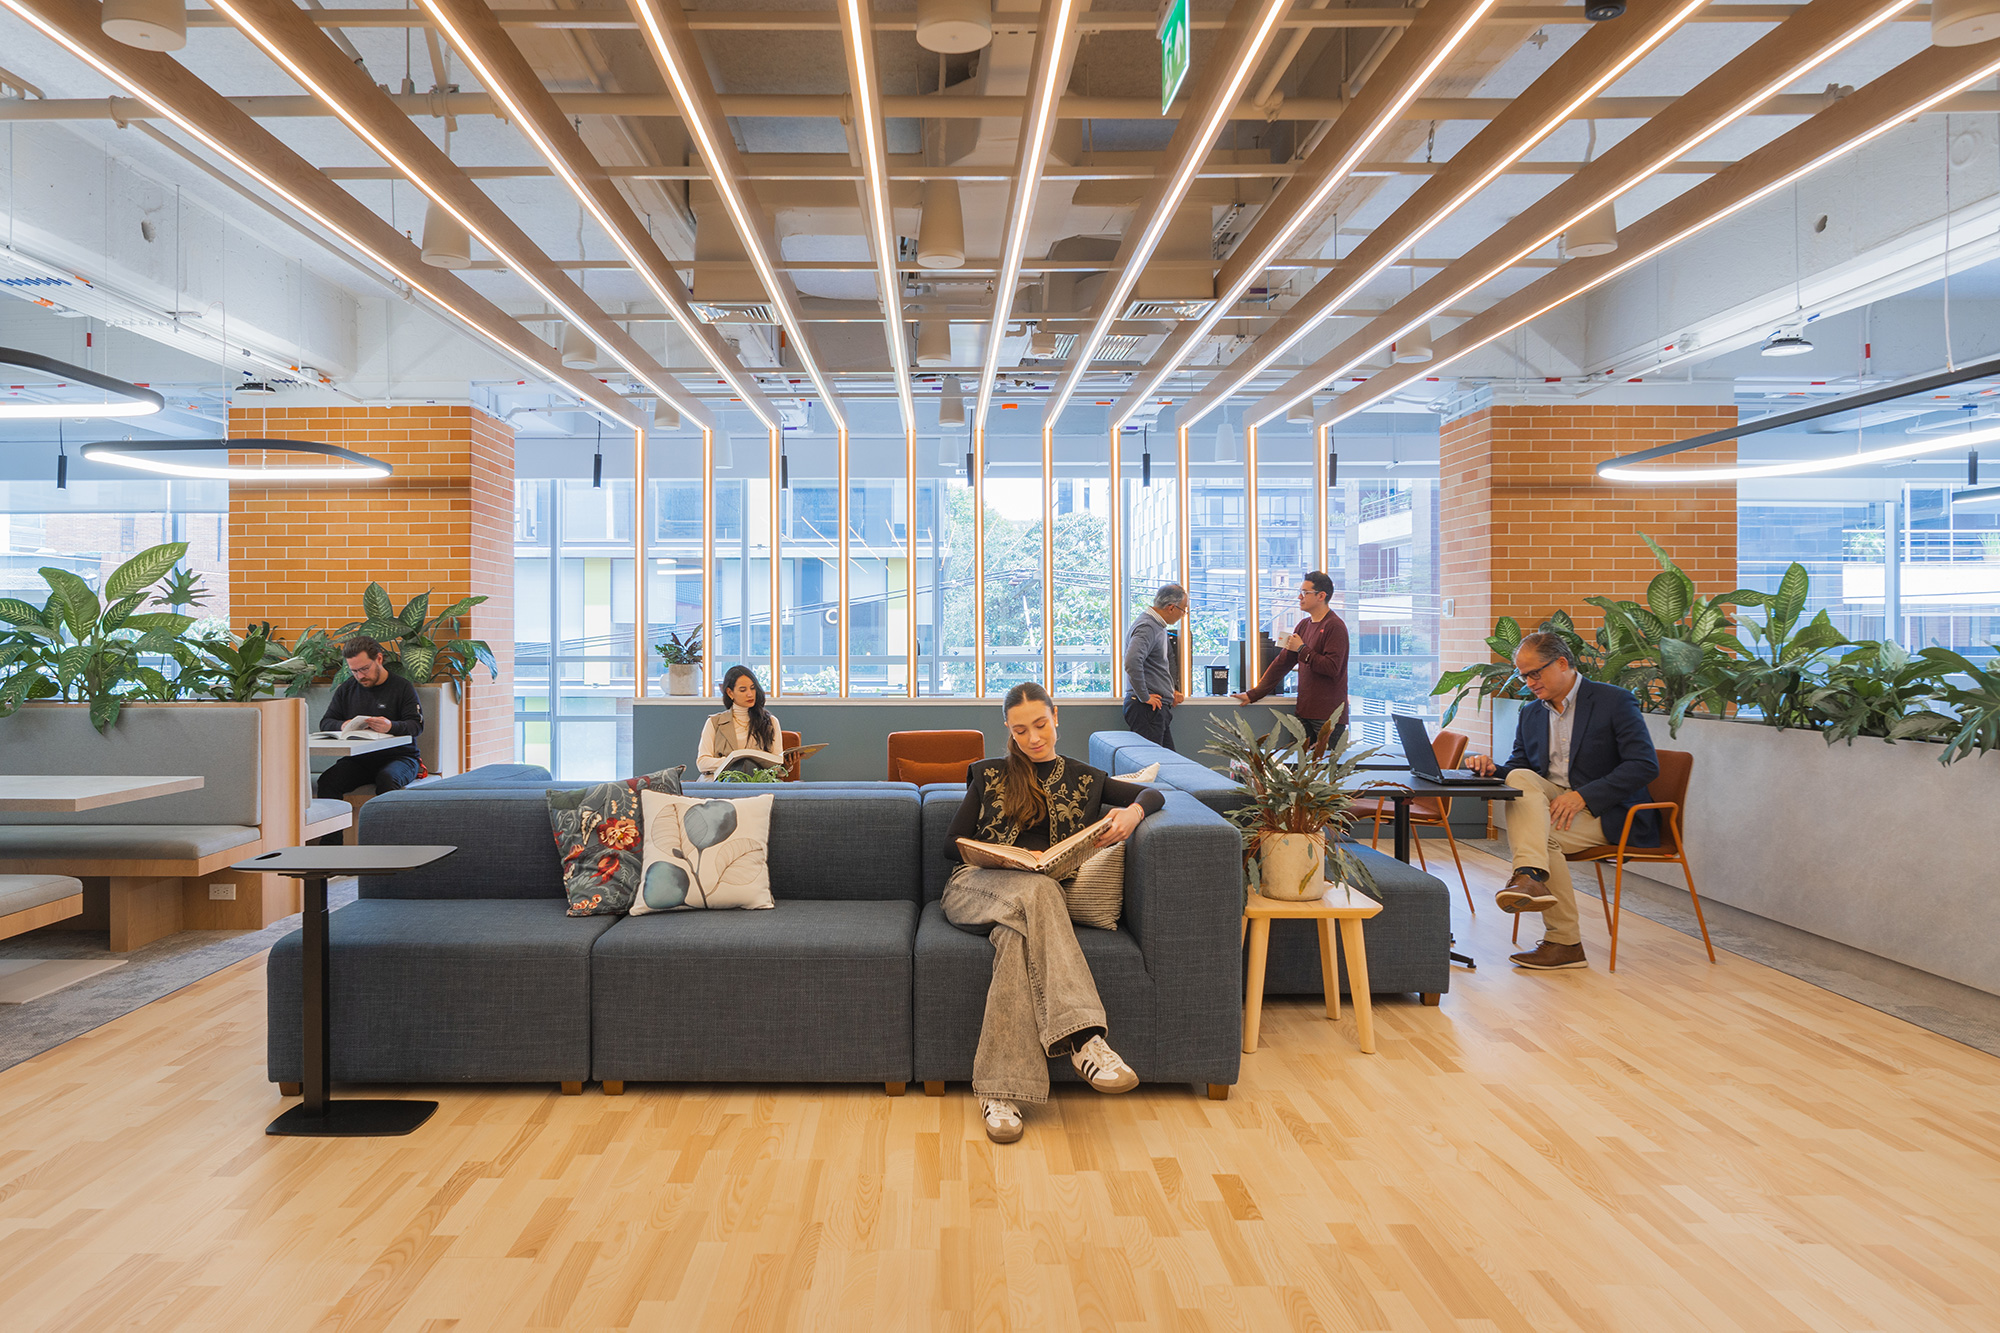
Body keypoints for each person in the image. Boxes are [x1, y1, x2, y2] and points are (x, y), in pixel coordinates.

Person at [944, 682, 1164, 1144]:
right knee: (1041, 891)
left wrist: (1133, 814)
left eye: (1040, 725)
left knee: (1016, 938)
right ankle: (1085, 1040)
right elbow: (951, 844)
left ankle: (1000, 1094)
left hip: (1028, 908)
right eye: (1021, 730)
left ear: (1056, 717)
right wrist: (1001, 856)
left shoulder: (1086, 778)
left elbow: (1153, 795)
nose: (1033, 738)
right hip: (974, 890)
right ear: (1009, 729)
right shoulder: (987, 774)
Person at [1464, 630, 1661, 971]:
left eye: (1534, 673)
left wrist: (1583, 795)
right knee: (1518, 779)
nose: (1528, 683)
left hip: (1608, 811)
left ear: (1562, 663)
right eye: (1522, 675)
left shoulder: (1614, 701)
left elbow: (1644, 765)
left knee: (1543, 839)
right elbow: (1521, 768)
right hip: (1553, 806)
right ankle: (1532, 881)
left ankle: (1561, 936)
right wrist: (1492, 768)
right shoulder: (1531, 713)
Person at [1233, 570, 1350, 751]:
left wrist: (1302, 649)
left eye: (1305, 593)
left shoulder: (1335, 626)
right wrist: (1254, 694)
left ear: (1321, 596)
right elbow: (1282, 663)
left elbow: (1332, 668)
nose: (1299, 597)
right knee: (1298, 771)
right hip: (1303, 713)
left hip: (1329, 717)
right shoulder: (1303, 625)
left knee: (1326, 774)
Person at [315, 636, 424, 800]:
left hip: (400, 758)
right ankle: (335, 827)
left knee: (387, 779)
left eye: (364, 669)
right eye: (354, 671)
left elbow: (416, 725)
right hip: (359, 760)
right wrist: (344, 725)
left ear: (379, 659)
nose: (360, 676)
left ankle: (382, 826)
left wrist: (390, 726)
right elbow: (326, 723)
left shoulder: (402, 687)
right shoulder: (347, 689)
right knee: (328, 781)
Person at [1122, 583, 1187, 751]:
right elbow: (1132, 661)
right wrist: (1144, 696)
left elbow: (1165, 662)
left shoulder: (1158, 626)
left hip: (1155, 708)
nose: (1183, 615)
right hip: (1147, 709)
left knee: (1167, 764)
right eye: (1183, 610)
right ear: (1171, 608)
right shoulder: (1147, 627)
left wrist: (1171, 689)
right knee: (1152, 766)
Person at [696, 665, 784, 777]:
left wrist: (786, 766)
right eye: (743, 690)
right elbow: (702, 763)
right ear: (730, 693)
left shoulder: (770, 722)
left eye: (753, 688)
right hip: (722, 782)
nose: (750, 694)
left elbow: (777, 764)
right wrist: (733, 762)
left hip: (757, 783)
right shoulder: (714, 722)